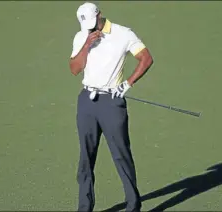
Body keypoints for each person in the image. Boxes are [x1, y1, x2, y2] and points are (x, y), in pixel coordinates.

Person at [68, 2, 153, 212]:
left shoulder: (123, 33)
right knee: (86, 158)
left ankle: (133, 205)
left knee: (121, 154)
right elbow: (74, 69)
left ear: (100, 14)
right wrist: (87, 45)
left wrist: (128, 83)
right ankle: (84, 207)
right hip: (87, 101)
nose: (90, 28)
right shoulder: (81, 36)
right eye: (86, 25)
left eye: (92, 23)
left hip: (112, 103)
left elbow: (146, 58)